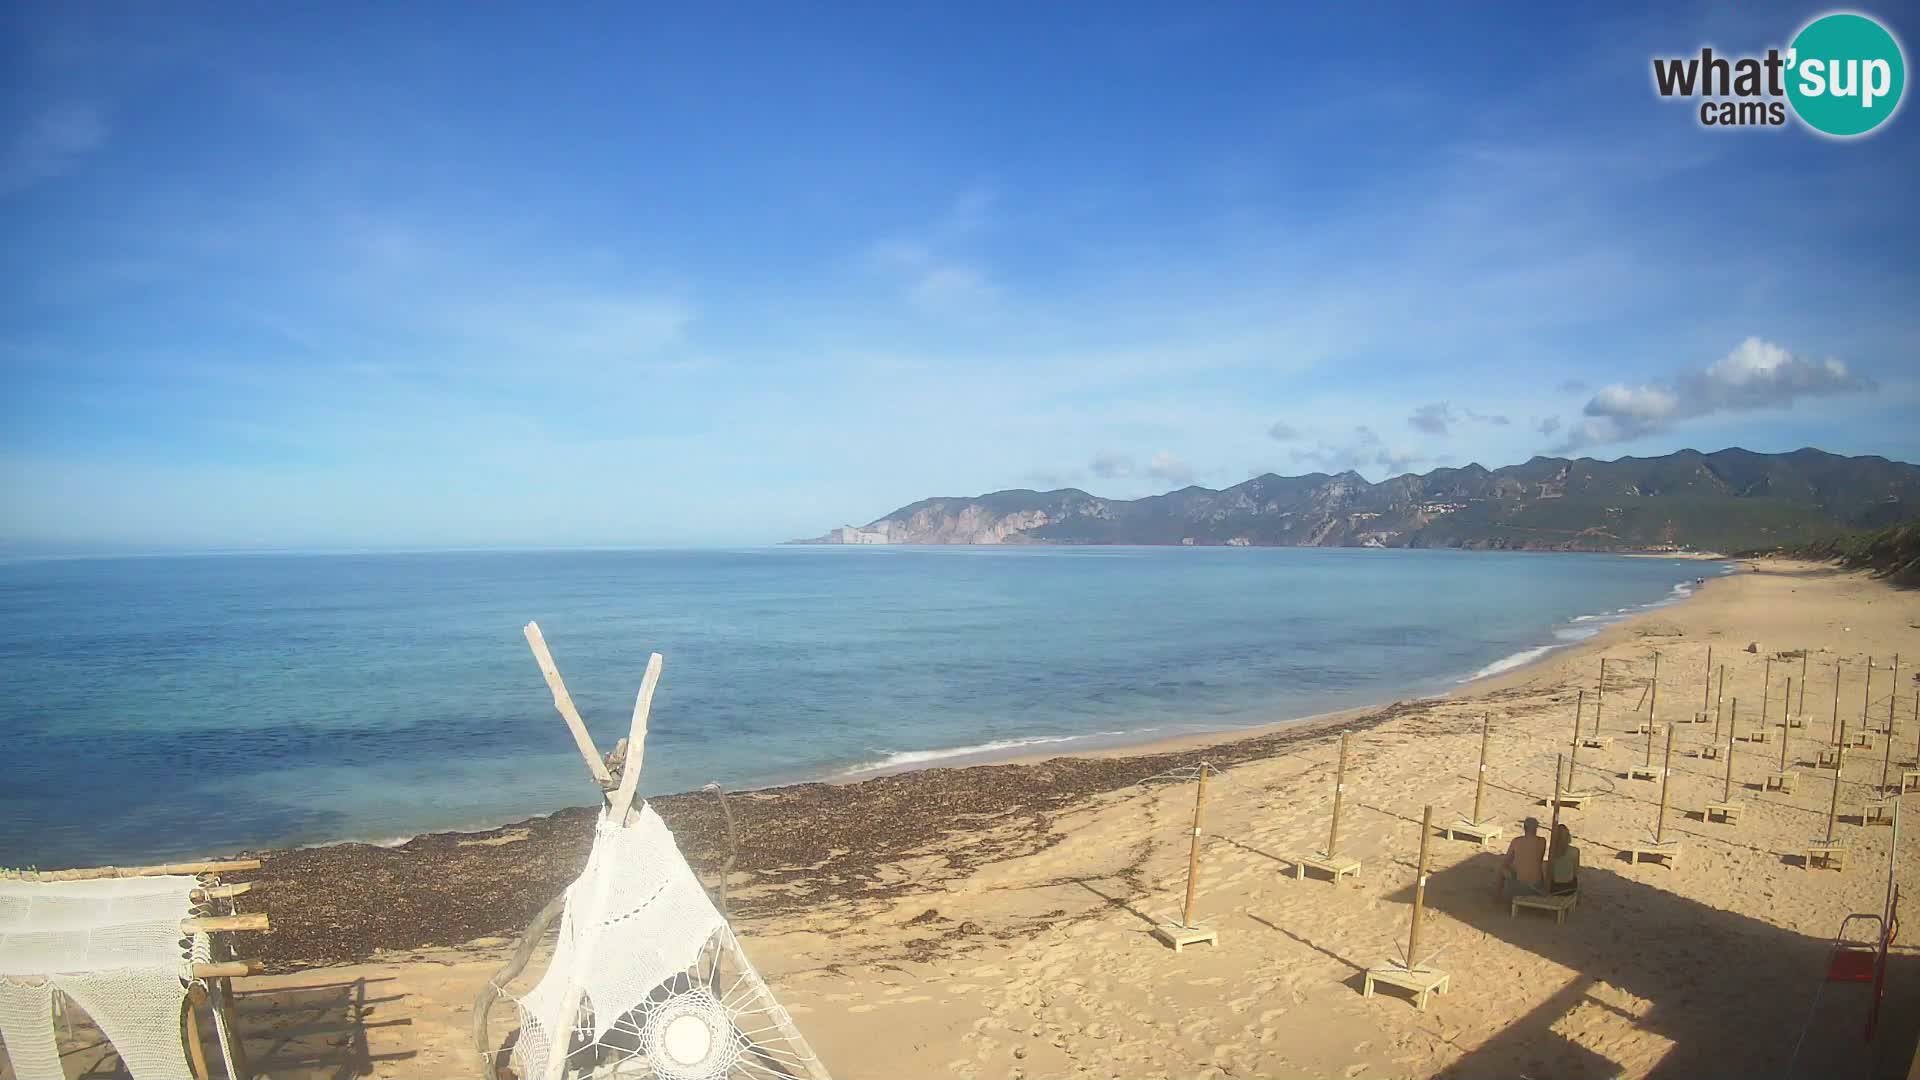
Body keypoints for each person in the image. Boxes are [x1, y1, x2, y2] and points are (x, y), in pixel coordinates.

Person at [1498, 817, 1547, 899]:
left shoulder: (1516, 841)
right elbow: (1539, 859)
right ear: (1536, 829)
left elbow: (1506, 862)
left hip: (1519, 886)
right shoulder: (1542, 841)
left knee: (1502, 869)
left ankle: (1497, 898)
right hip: (1537, 886)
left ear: (1524, 828)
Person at [1547, 823, 1580, 895]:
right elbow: (1576, 872)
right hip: (1568, 889)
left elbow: (1551, 872)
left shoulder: (1552, 851)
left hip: (1554, 888)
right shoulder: (1574, 851)